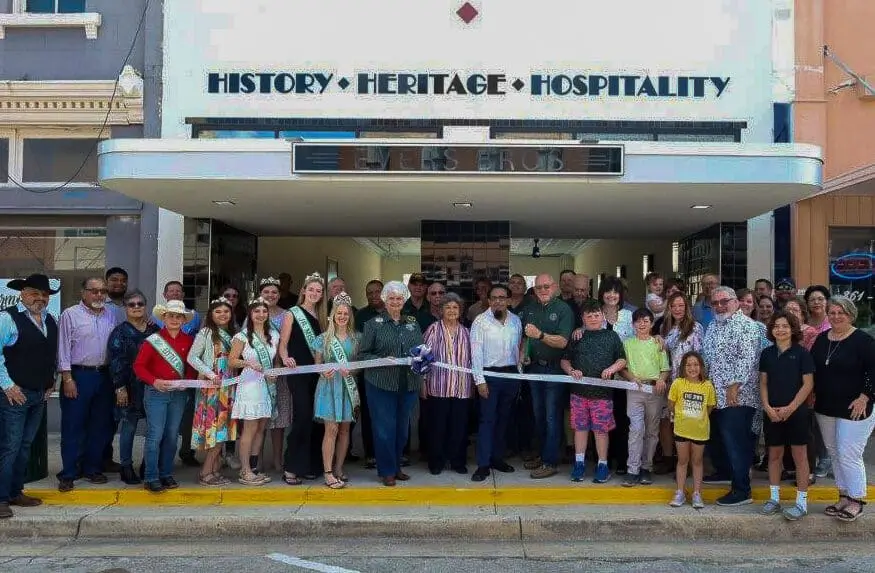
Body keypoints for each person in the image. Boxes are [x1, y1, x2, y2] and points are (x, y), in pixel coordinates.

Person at [811, 296, 875, 522]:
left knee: (849, 453)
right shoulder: (821, 340)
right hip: (826, 406)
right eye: (833, 312)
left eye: (842, 313)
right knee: (835, 452)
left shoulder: (863, 341)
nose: (836, 316)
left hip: (855, 407)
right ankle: (844, 495)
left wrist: (865, 396)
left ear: (851, 315)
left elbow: (873, 372)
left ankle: (857, 499)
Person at [0, 274, 59, 518]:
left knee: (24, 446)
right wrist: (7, 385)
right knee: (9, 447)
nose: (40, 298)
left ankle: (15, 491)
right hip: (15, 393)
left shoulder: (50, 321)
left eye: (44, 294)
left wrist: (49, 382)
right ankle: (1, 498)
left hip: (38, 393)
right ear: (22, 293)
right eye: (34, 292)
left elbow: (48, 355)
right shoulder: (7, 318)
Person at [702, 286, 763, 506]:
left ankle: (742, 490)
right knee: (718, 438)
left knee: (736, 442)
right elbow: (706, 358)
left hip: (738, 397)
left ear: (736, 302)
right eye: (714, 303)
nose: (719, 306)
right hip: (715, 395)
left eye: (724, 301)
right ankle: (724, 472)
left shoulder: (746, 326)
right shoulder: (713, 326)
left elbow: (747, 358)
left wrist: (734, 386)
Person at [57, 277, 119, 492]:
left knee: (99, 425)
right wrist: (67, 379)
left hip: (104, 376)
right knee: (73, 425)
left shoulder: (111, 315)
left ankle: (92, 468)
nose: (99, 295)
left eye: (103, 291)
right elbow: (62, 348)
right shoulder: (70, 315)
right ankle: (69, 473)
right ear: (83, 292)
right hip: (78, 376)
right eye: (94, 291)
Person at [359, 281, 424, 487]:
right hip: (381, 384)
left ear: (404, 300)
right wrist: (381, 360)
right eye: (391, 298)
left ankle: (396, 467)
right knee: (384, 429)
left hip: (408, 383)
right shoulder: (373, 324)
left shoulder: (412, 322)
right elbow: (362, 354)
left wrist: (422, 359)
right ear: (385, 300)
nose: (395, 302)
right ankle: (386, 471)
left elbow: (421, 350)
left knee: (402, 430)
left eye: (399, 298)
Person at [133, 300, 197, 493]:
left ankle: (166, 473)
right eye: (171, 316)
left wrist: (187, 382)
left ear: (184, 320)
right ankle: (151, 476)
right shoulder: (153, 340)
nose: (175, 319)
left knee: (171, 436)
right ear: (164, 318)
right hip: (156, 393)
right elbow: (139, 367)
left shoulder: (188, 340)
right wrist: (154, 381)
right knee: (155, 435)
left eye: (179, 316)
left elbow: (191, 368)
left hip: (178, 394)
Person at [560, 299, 626, 484]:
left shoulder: (611, 336)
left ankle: (602, 465)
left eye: (596, 315)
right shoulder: (577, 336)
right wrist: (572, 371)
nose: (593, 318)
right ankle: (579, 463)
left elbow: (622, 360)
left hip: (603, 395)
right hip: (579, 393)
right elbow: (565, 361)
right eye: (589, 316)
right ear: (583, 318)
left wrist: (611, 369)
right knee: (580, 429)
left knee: (601, 431)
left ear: (603, 316)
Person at [758, 311, 814, 521]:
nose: (780, 329)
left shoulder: (802, 353)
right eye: (776, 326)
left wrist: (791, 407)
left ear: (792, 329)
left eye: (785, 326)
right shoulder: (766, 354)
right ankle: (774, 499)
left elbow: (808, 384)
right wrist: (767, 408)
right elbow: (763, 383)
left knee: (800, 457)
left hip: (796, 412)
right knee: (774, 456)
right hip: (772, 413)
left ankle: (801, 503)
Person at [519, 274, 574, 479]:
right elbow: (526, 338)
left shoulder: (563, 310)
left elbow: (562, 342)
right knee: (539, 415)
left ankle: (550, 461)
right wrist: (525, 355)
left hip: (554, 371)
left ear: (555, 287)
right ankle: (542, 456)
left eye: (546, 286)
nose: (542, 290)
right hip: (534, 369)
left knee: (552, 417)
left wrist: (540, 335)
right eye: (538, 287)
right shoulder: (531, 309)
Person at [470, 285, 523, 482]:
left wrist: (520, 372)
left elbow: (518, 348)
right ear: (489, 300)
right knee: (487, 421)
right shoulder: (480, 322)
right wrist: (479, 381)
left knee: (504, 420)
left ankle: (497, 458)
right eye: (494, 298)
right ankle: (483, 464)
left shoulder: (515, 321)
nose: (498, 301)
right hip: (489, 377)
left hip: (510, 376)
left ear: (509, 300)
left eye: (502, 297)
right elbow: (475, 353)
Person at [107, 290, 159, 485]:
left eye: (140, 304)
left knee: (153, 428)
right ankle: (126, 466)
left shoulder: (154, 331)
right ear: (126, 308)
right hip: (129, 386)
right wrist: (119, 387)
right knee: (129, 427)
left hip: (152, 386)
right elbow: (115, 361)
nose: (136, 307)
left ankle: (148, 464)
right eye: (132, 304)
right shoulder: (120, 331)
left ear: (145, 306)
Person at [280, 272, 326, 485]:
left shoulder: (323, 316)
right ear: (304, 291)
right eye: (311, 289)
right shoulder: (293, 313)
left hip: (317, 374)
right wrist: (285, 357)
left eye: (318, 291)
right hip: (298, 372)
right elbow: (283, 343)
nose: (315, 293)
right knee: (302, 417)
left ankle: (310, 466)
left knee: (317, 419)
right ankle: (291, 466)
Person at [187, 297, 238, 486]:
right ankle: (205, 472)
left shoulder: (232, 333)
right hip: (212, 390)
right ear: (211, 315)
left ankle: (214, 470)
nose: (222, 314)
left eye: (226, 311)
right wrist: (209, 374)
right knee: (214, 432)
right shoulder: (206, 332)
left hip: (228, 388)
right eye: (218, 311)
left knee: (221, 432)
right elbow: (192, 357)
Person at [422, 293, 474, 475]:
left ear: (460, 310)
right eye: (448, 307)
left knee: (459, 427)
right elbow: (422, 358)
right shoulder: (433, 330)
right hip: (438, 387)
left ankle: (457, 462)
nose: (451, 311)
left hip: (462, 388)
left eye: (455, 307)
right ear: (441, 310)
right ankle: (436, 462)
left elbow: (472, 361)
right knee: (437, 427)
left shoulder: (467, 333)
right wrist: (422, 384)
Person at [312, 292, 360, 489]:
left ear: (350, 316)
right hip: (329, 388)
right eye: (339, 313)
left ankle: (339, 467)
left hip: (348, 387)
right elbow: (317, 366)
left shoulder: (357, 339)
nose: (342, 316)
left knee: (344, 430)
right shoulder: (323, 339)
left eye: (345, 314)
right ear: (332, 315)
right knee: (331, 429)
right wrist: (324, 373)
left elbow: (358, 366)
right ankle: (328, 472)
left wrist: (352, 370)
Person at [230, 297, 279, 486]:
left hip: (267, 386)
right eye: (256, 311)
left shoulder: (273, 335)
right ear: (250, 314)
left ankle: (253, 468)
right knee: (249, 429)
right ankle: (244, 470)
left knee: (261, 428)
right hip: (250, 385)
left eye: (264, 311)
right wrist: (248, 362)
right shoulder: (242, 336)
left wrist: (274, 372)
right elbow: (232, 360)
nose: (261, 314)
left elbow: (275, 361)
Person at [621, 308, 670, 487]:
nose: (642, 324)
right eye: (638, 321)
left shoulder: (658, 344)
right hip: (634, 389)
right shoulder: (627, 344)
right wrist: (631, 378)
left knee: (652, 431)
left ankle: (646, 468)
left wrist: (661, 381)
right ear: (633, 324)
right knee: (636, 429)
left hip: (654, 391)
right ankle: (632, 469)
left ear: (651, 324)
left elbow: (665, 369)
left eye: (646, 321)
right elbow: (622, 367)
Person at [667, 352, 716, 509]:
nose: (692, 368)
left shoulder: (707, 386)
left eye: (696, 365)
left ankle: (696, 493)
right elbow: (671, 404)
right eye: (688, 365)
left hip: (700, 432)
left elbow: (710, 407)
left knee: (697, 461)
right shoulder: (678, 383)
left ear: (701, 367)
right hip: (681, 430)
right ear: (683, 367)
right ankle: (680, 492)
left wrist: (698, 419)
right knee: (682, 461)